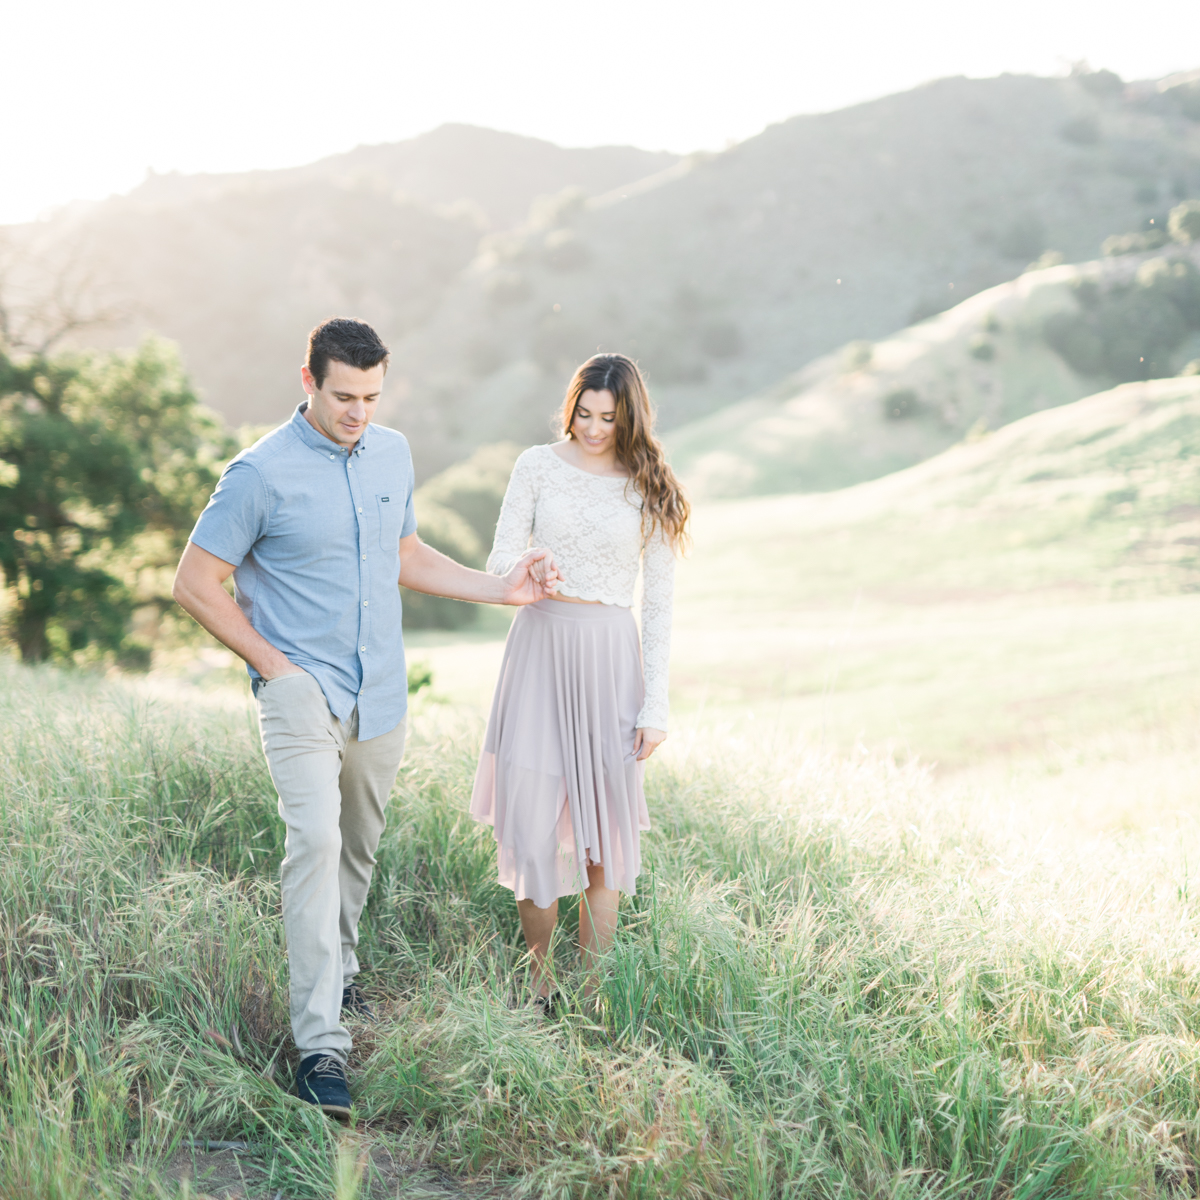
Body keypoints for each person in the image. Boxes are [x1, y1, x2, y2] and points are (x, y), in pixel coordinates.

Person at [171, 317, 559, 1119]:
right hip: (300, 692)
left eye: (372, 396)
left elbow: (406, 555)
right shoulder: (258, 474)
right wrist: (275, 668)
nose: (358, 412)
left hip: (380, 688)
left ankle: (338, 972)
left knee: (357, 848)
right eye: (344, 396)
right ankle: (321, 1045)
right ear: (307, 380)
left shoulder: (392, 453)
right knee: (312, 842)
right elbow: (194, 582)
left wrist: (505, 589)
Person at [470, 352, 690, 1008]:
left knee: (604, 838)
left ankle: (592, 993)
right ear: (570, 407)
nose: (594, 428)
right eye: (584, 414)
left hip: (610, 659)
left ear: (631, 418)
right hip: (539, 648)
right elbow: (501, 552)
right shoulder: (536, 465)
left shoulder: (648, 482)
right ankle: (540, 984)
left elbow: (658, 605)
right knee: (532, 827)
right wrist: (526, 563)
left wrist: (656, 702)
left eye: (609, 418)